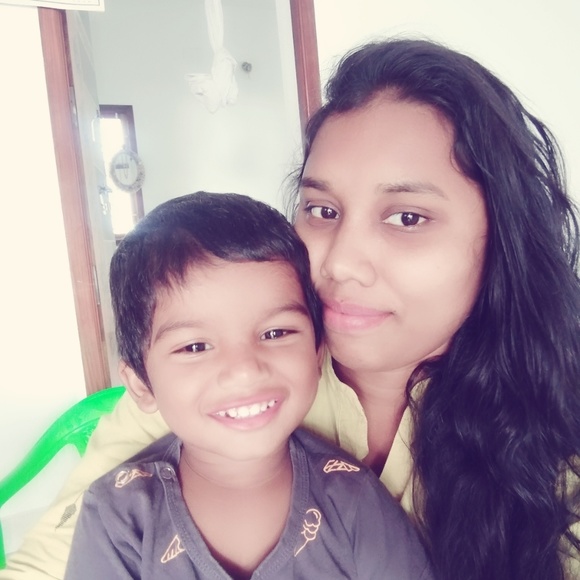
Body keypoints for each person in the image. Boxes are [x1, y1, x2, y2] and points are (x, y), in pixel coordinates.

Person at [2, 37, 579, 580]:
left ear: (502, 236)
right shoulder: (212, 383)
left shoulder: (558, 422)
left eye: (407, 217)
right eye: (323, 211)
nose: (341, 262)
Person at [63, 191, 433, 579]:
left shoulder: (355, 501)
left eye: (276, 333)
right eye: (195, 347)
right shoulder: (118, 516)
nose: (245, 370)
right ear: (141, 384)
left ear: (317, 353)